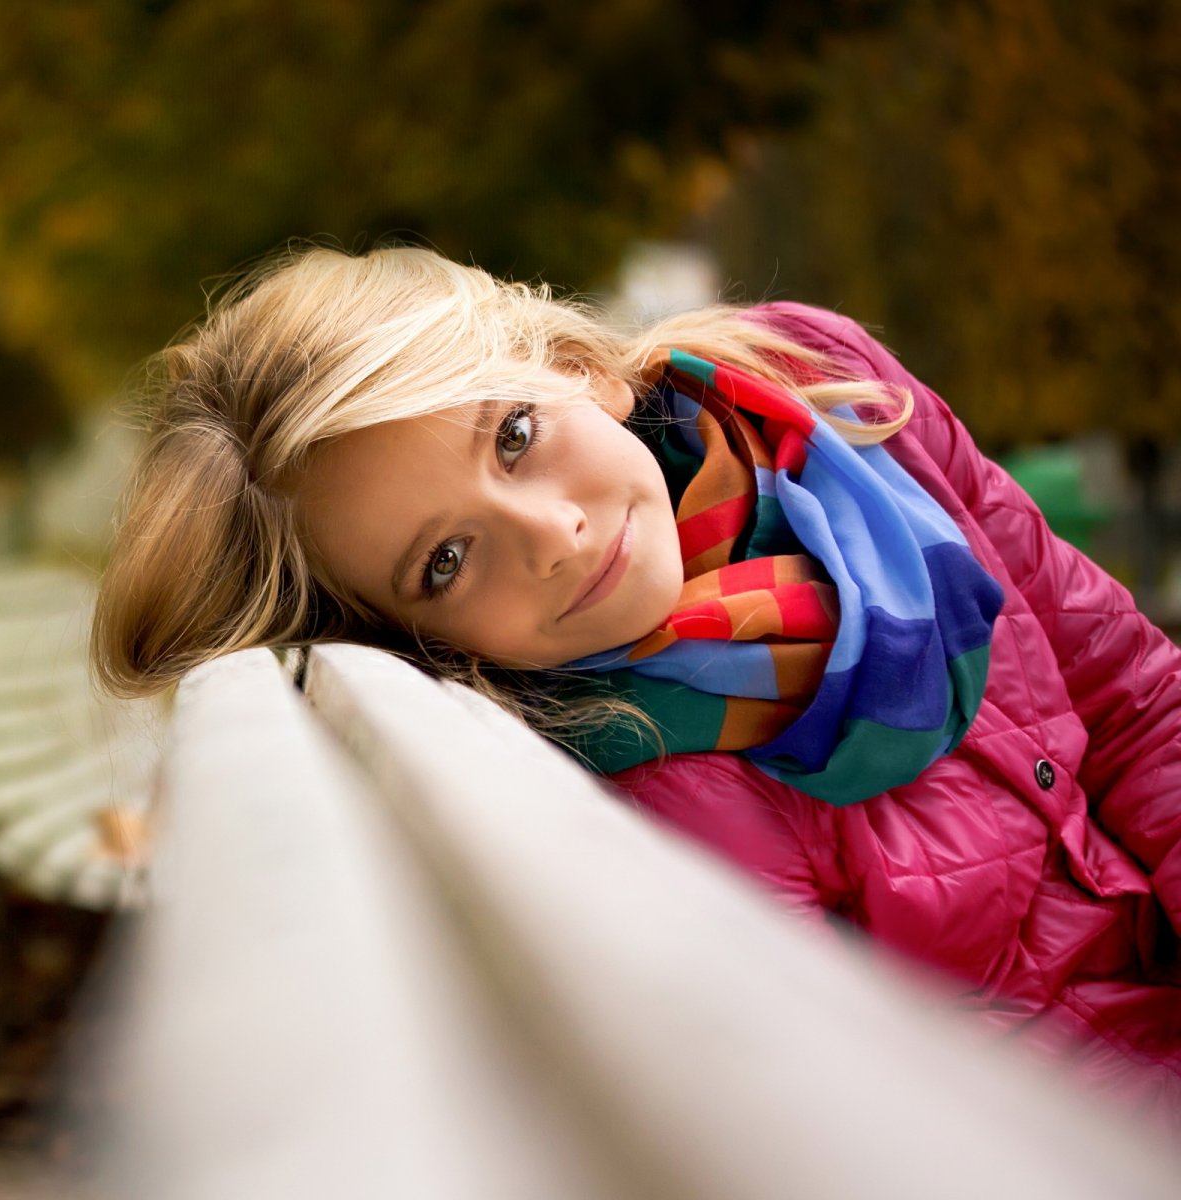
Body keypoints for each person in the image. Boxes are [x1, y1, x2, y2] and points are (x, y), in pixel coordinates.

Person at [90, 243, 1181, 1132]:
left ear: (573, 364)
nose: (553, 534)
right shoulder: (652, 795)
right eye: (447, 562)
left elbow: (1132, 695)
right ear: (415, 637)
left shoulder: (823, 400)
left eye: (513, 436)